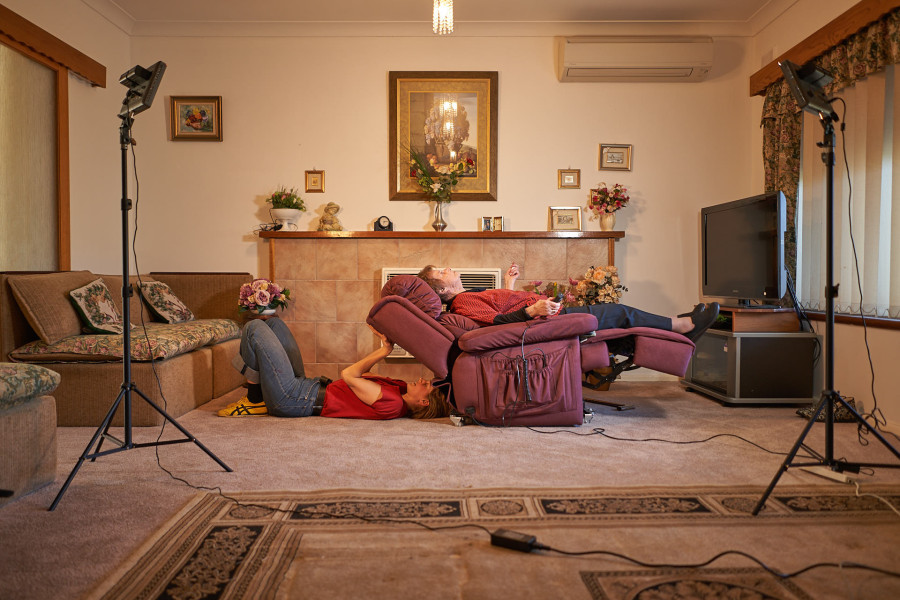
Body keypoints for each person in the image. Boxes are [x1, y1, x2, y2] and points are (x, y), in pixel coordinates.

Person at [417, 263, 719, 342]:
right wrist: (531, 310)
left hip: (546, 313)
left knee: (616, 316)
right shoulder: (461, 304)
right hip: (546, 320)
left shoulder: (467, 296)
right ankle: (683, 326)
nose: (447, 269)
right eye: (441, 273)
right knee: (619, 312)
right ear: (441, 290)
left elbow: (498, 309)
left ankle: (675, 327)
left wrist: (510, 283)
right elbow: (495, 324)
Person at [219, 316, 451, 419]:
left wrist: (384, 351)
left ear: (423, 402)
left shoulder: (393, 404)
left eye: (426, 386)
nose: (422, 380)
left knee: (254, 327)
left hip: (292, 399)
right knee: (275, 324)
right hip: (306, 386)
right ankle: (259, 398)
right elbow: (363, 376)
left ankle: (254, 399)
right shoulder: (398, 389)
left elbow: (349, 375)